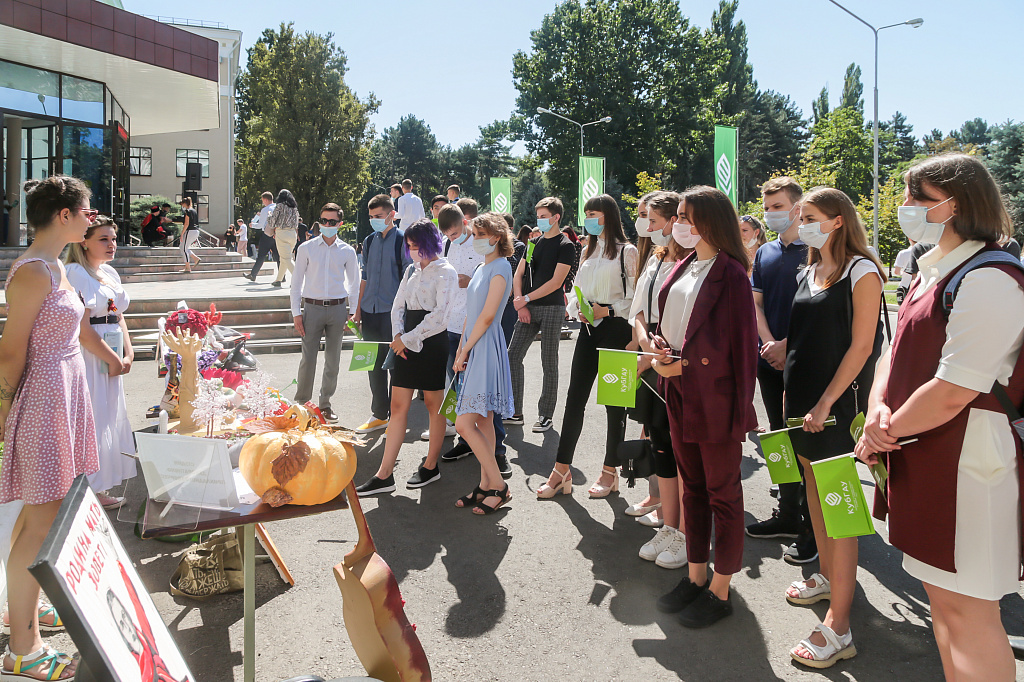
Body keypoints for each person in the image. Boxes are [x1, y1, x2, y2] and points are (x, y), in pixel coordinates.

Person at [857, 154, 1024, 681]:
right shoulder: (935, 270)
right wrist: (876, 410)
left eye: (918, 198)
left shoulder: (994, 276)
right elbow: (894, 351)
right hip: (925, 452)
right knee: (944, 609)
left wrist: (885, 431)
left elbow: (955, 388)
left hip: (967, 463)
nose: (905, 207)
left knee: (970, 614)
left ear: (959, 205)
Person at [0, 175, 101, 680]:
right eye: (88, 211)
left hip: (62, 402)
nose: (93, 218)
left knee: (36, 519)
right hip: (43, 405)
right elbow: (11, 353)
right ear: (64, 215)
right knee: (41, 523)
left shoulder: (56, 265)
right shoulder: (34, 272)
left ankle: (25, 606)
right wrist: (2, 417)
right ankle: (23, 648)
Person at [782, 187, 885, 668]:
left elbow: (862, 347)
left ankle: (840, 625)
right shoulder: (810, 268)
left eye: (809, 216)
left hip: (835, 410)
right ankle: (825, 577)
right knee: (814, 498)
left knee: (840, 511)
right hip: (801, 407)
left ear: (838, 220)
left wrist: (826, 402)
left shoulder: (861, 271)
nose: (800, 223)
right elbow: (804, 340)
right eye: (800, 216)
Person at [652, 185, 757, 628]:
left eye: (686, 216)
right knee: (693, 488)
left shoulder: (732, 273)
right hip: (678, 392)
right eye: (677, 215)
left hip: (715, 401)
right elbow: (675, 326)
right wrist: (661, 346)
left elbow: (742, 353)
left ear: (710, 221)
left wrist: (687, 368)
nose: (680, 223)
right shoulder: (684, 266)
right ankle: (696, 578)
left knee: (723, 495)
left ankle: (721, 588)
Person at [538, 194, 638, 499]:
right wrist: (576, 308)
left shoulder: (627, 251)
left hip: (617, 330)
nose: (588, 219)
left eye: (593, 213)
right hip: (588, 329)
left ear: (608, 216)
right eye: (586, 214)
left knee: (614, 404)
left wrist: (606, 310)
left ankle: (611, 471)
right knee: (574, 399)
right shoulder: (587, 250)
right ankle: (561, 469)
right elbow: (574, 290)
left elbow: (636, 299)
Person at [356, 219, 458, 496]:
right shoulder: (412, 269)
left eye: (416, 246)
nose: (412, 251)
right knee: (398, 407)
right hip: (404, 342)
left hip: (431, 342)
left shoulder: (446, 271)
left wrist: (408, 339)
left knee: (434, 406)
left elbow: (441, 316)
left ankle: (430, 465)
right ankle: (384, 473)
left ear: (429, 243)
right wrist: (398, 337)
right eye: (410, 246)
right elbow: (397, 305)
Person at [745, 177, 816, 566]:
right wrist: (770, 344)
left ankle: (812, 527)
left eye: (777, 206)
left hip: (806, 362)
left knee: (807, 444)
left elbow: (818, 310)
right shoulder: (765, 253)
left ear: (796, 206)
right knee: (778, 437)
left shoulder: (817, 249)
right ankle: (787, 513)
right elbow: (755, 304)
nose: (770, 213)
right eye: (766, 206)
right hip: (768, 359)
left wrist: (786, 345)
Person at [630, 191, 689, 569]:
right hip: (651, 357)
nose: (647, 229)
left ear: (673, 221)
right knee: (660, 443)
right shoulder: (655, 258)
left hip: (675, 361)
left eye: (653, 222)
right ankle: (669, 525)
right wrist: (643, 342)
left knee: (682, 452)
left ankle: (685, 532)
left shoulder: (693, 264)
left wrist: (657, 352)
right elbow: (638, 312)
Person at [63, 214, 136, 510]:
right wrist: (112, 357)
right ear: (84, 241)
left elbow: (118, 317)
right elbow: (82, 330)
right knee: (91, 420)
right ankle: (86, 487)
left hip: (112, 353)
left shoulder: (109, 273)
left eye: (114, 238)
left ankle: (99, 485)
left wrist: (128, 354)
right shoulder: (74, 273)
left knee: (108, 418)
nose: (112, 244)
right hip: (92, 357)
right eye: (103, 239)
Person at [452, 213, 515, 514]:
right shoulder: (482, 267)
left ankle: (499, 485)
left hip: (486, 346)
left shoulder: (502, 266)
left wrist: (466, 350)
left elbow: (489, 316)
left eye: (480, 234)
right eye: (474, 233)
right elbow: (471, 313)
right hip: (475, 345)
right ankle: (486, 484)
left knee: (465, 423)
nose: (475, 238)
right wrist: (461, 349)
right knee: (484, 420)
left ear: (496, 237)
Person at [506, 197, 574, 432]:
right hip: (528, 307)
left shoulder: (566, 245)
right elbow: (519, 274)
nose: (540, 220)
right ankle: (515, 412)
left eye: (544, 216)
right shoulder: (533, 243)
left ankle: (545, 415)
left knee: (549, 362)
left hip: (552, 308)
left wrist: (526, 298)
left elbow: (557, 282)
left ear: (556, 218)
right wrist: (520, 302)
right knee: (512, 356)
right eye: (538, 216)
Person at [292, 203, 361, 423]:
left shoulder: (347, 251)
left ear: (340, 224)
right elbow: (296, 283)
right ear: (319, 222)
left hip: (338, 309)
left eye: (332, 222)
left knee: (333, 360)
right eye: (324, 221)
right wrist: (296, 313)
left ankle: (325, 405)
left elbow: (354, 283)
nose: (327, 225)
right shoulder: (306, 248)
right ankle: (302, 404)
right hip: (311, 308)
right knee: (308, 359)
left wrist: (352, 313)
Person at [353, 194, 412, 434]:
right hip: (369, 311)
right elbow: (364, 276)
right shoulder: (368, 241)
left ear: (392, 215)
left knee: (396, 367)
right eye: (371, 217)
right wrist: (357, 309)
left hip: (393, 314)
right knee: (371, 364)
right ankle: (379, 414)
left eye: (379, 216)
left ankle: (397, 418)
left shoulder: (403, 241)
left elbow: (409, 279)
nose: (375, 220)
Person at [267, 189, 299, 288]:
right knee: (284, 258)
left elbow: (272, 222)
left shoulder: (279, 206)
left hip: (282, 233)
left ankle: (298, 280)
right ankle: (278, 280)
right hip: (293, 233)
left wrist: (269, 215)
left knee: (286, 258)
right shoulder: (294, 208)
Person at [245, 192, 279, 281]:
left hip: (267, 235)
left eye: (263, 201)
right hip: (277, 234)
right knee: (278, 256)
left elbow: (261, 225)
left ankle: (253, 274)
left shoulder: (265, 209)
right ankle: (282, 276)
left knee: (261, 256)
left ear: (266, 200)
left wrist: (253, 225)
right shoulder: (278, 207)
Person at [178, 197, 201, 274]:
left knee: (184, 249)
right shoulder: (194, 211)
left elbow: (186, 224)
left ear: (185, 203)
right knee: (183, 247)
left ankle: (188, 268)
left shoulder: (188, 211)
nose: (182, 205)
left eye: (182, 204)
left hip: (190, 231)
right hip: (195, 231)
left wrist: (182, 234)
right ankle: (195, 258)